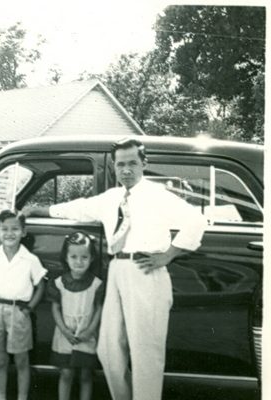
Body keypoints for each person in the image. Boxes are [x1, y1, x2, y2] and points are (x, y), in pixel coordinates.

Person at [22, 138, 207, 400]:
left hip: (146, 271)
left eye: (132, 163)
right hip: (118, 269)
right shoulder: (112, 198)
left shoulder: (158, 196)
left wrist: (168, 255)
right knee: (108, 349)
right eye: (121, 165)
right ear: (115, 168)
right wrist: (36, 210)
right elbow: (75, 208)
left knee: (146, 352)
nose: (126, 170)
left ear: (144, 163)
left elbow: (196, 221)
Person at [0, 210, 47, 400]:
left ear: (24, 232)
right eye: (4, 229)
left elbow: (41, 285)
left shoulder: (30, 260)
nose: (10, 233)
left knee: (22, 359)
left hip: (19, 312)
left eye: (15, 229)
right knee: (0, 360)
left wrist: (30, 308)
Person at [47, 231, 104, 400]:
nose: (79, 262)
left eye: (84, 257)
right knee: (66, 373)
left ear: (92, 258)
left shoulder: (96, 284)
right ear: (66, 257)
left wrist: (90, 330)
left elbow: (99, 308)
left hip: (87, 334)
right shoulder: (58, 283)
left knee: (86, 374)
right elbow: (55, 308)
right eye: (73, 257)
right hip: (65, 334)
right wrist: (64, 330)